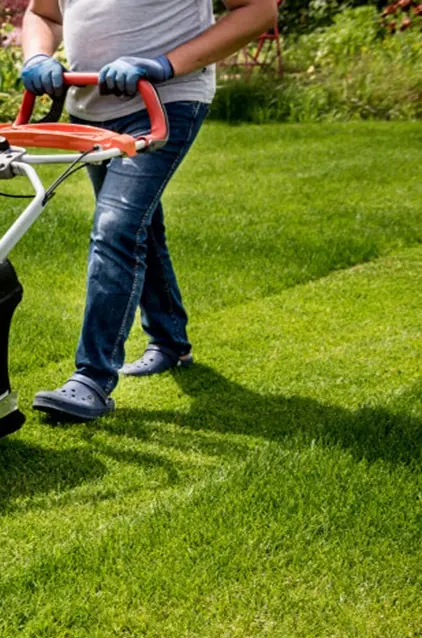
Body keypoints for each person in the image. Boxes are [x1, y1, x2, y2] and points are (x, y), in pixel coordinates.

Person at [22, 0, 279, 422]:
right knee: (138, 225)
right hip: (90, 107)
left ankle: (91, 378)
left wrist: (163, 64)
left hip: (165, 100)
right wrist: (37, 54)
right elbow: (44, 14)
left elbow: (257, 11)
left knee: (116, 227)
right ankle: (170, 341)